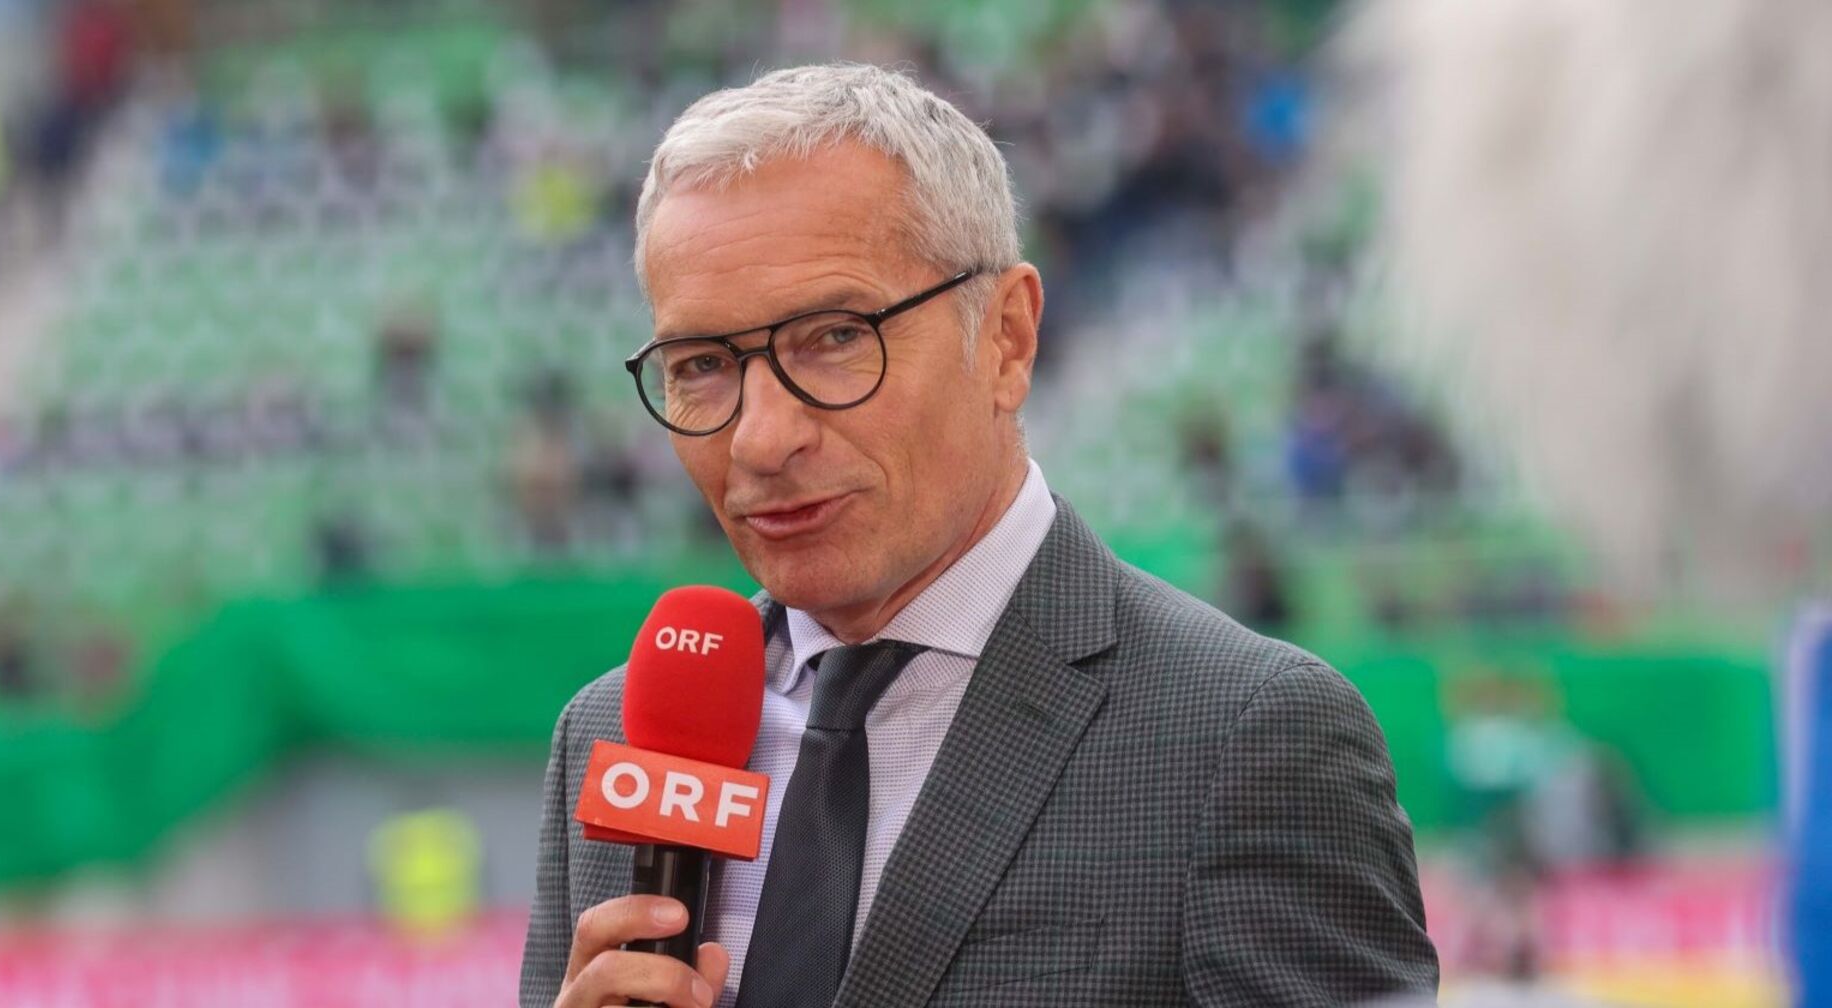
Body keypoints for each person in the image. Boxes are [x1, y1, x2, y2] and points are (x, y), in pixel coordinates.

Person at [519, 64, 1437, 1008]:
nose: (761, 437)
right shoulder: (612, 735)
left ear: (1006, 337)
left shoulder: (1245, 737)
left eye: (835, 338)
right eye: (703, 364)